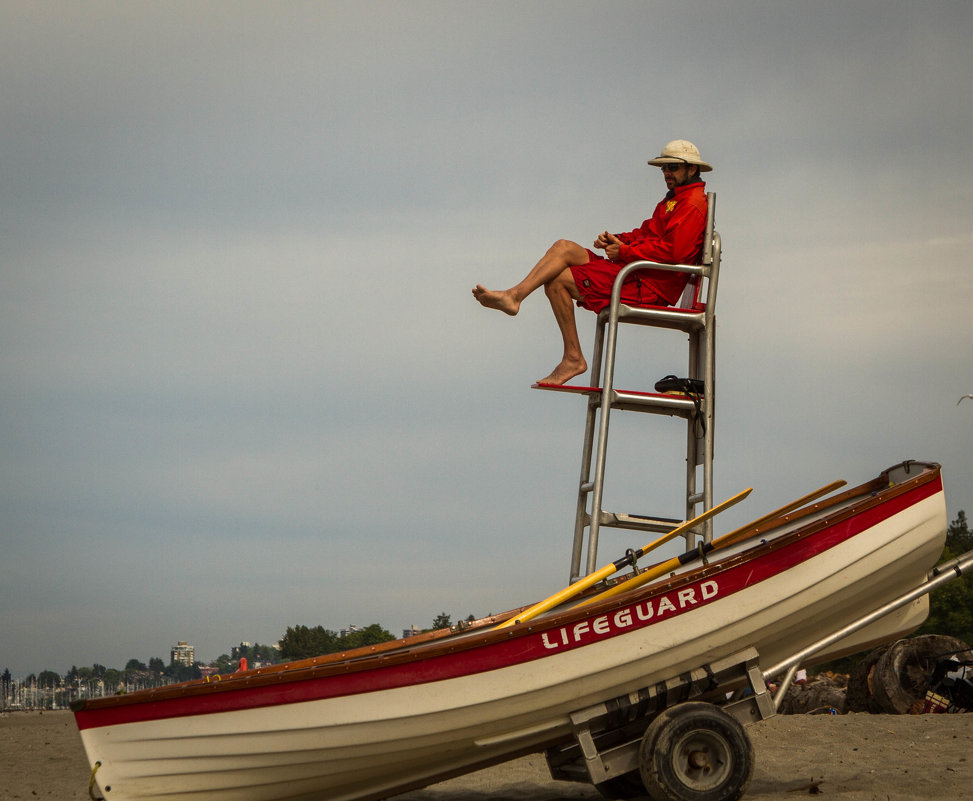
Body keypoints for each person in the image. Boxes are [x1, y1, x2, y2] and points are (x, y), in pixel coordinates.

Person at [473, 139, 712, 385]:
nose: (666, 173)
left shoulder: (692, 204)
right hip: (635, 272)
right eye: (663, 168)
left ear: (691, 169)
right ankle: (514, 296)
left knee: (558, 281)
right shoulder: (673, 200)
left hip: (648, 286)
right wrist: (617, 240)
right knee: (563, 247)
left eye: (672, 167)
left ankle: (573, 358)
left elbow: (674, 253)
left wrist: (626, 252)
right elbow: (646, 233)